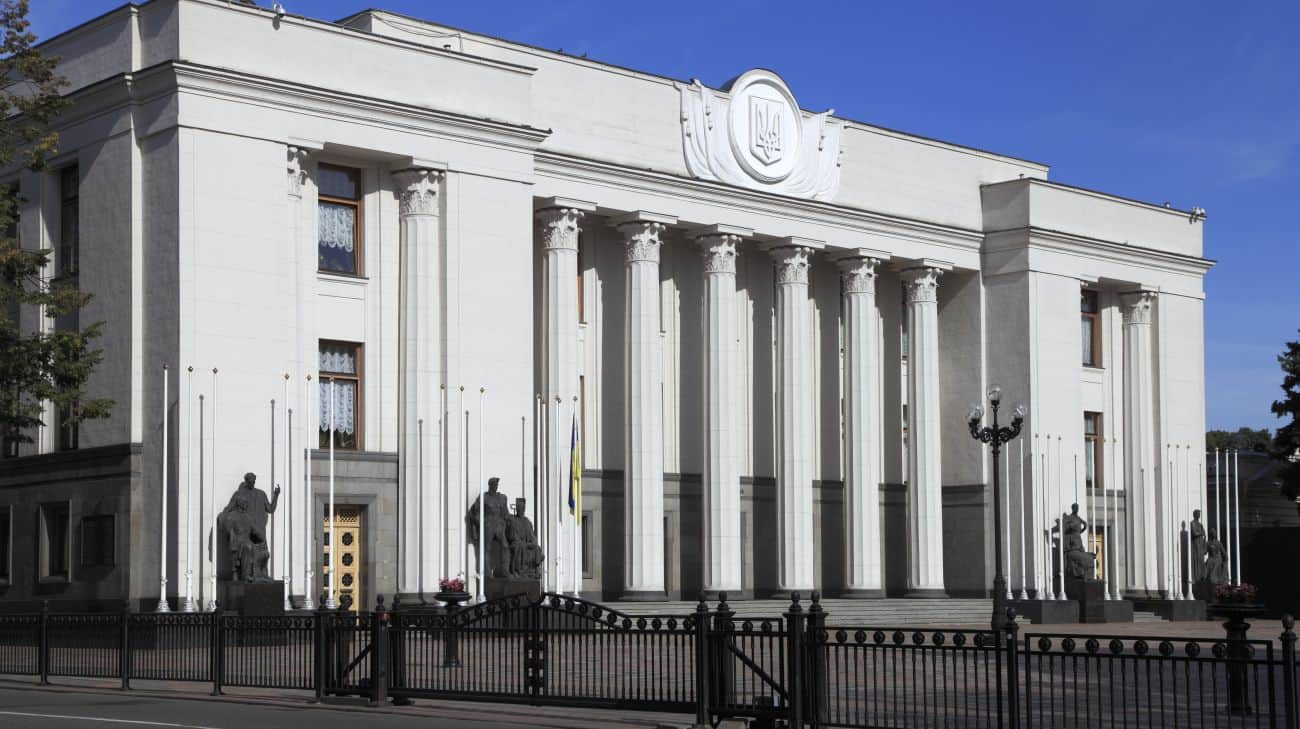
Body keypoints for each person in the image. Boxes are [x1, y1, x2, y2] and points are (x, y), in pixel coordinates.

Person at [466, 477, 512, 578]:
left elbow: (505, 512)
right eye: (494, 485)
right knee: (487, 548)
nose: (496, 487)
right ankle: (487, 573)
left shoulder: (502, 498)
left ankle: (505, 570)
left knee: (505, 546)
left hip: (499, 526)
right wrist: (481, 522)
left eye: (497, 485)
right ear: (490, 485)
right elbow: (474, 512)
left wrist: (510, 520)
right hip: (488, 525)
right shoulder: (484, 497)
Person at [1189, 510, 1208, 583]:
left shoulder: (1200, 524)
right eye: (1198, 514)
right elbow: (1194, 533)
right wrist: (1201, 533)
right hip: (1195, 544)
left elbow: (1204, 534)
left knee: (1200, 560)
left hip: (1200, 544)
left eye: (1199, 514)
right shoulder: (1192, 523)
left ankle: (1200, 577)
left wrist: (1204, 546)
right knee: (1196, 560)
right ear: (1195, 515)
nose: (1199, 515)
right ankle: (1196, 577)